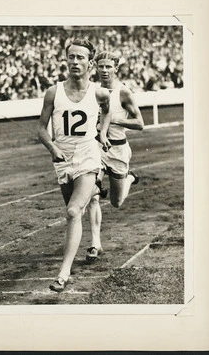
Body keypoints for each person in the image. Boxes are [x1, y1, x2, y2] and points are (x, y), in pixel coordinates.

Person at [37, 39, 111, 292]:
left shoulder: (99, 92)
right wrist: (53, 147)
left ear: (90, 63)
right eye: (72, 57)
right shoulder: (53, 92)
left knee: (72, 211)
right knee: (74, 211)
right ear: (66, 60)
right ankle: (94, 188)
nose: (75, 62)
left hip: (88, 154)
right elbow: (40, 128)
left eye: (80, 57)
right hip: (62, 158)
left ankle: (63, 273)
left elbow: (108, 111)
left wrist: (102, 133)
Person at [86, 51, 144, 261]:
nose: (104, 70)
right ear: (96, 68)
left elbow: (140, 124)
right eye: (101, 66)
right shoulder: (91, 90)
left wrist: (114, 121)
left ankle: (129, 178)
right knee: (92, 194)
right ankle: (95, 244)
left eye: (108, 67)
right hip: (97, 149)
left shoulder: (123, 93)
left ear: (116, 68)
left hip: (118, 150)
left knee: (116, 202)